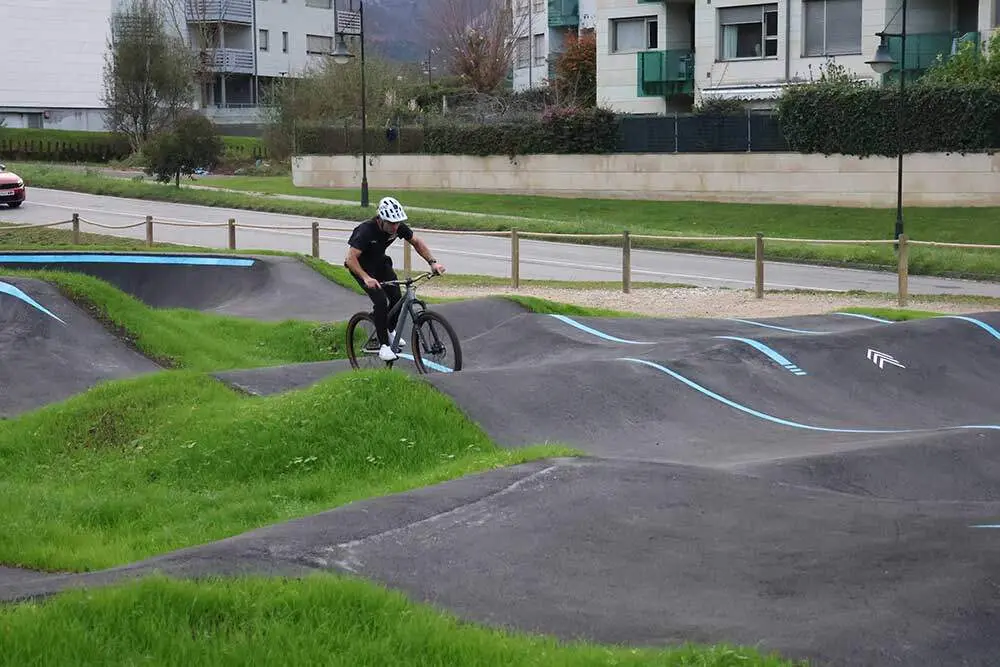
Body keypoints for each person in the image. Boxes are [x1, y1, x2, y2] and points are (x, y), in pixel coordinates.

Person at [344, 196, 446, 361]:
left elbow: (417, 242)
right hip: (361, 268)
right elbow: (350, 259)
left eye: (397, 223)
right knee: (380, 301)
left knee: (397, 297)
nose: (395, 227)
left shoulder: (397, 227)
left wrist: (433, 263)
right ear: (381, 219)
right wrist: (366, 278)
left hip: (381, 264)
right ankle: (383, 345)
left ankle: (388, 330)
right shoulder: (365, 230)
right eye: (391, 223)